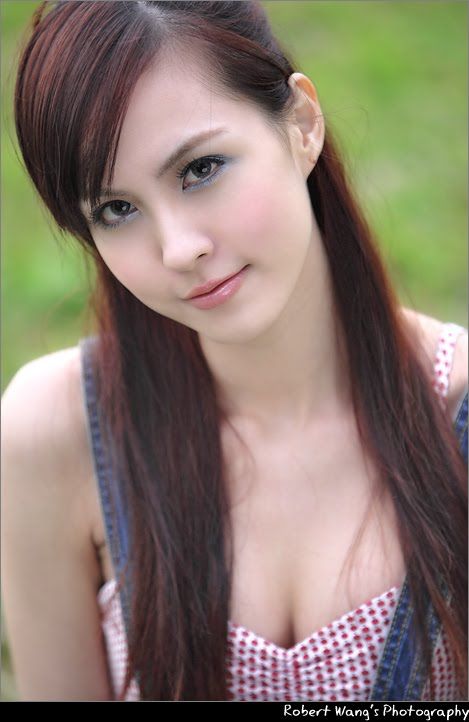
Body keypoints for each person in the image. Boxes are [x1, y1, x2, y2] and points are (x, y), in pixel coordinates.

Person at [1, 0, 467, 703]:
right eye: (117, 209)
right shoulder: (60, 433)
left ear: (302, 124)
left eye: (200, 168)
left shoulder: (455, 412)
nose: (178, 248)